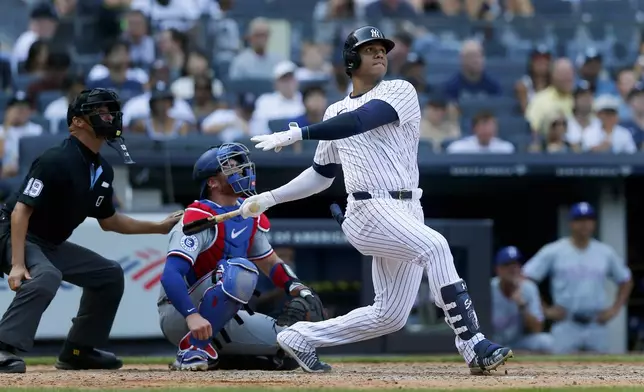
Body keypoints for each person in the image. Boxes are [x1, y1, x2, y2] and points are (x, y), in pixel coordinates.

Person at [241, 25, 513, 374]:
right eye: (370, 49)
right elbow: (321, 175)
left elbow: (361, 120)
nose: (380, 53)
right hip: (368, 208)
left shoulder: (400, 90)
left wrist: (301, 132)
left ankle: (303, 336)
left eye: (382, 48)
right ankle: (473, 344)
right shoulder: (333, 112)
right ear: (351, 59)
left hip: (408, 208)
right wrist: (268, 198)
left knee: (390, 316)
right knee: (435, 247)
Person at [0, 88, 183, 373]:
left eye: (110, 111)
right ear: (77, 122)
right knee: (47, 276)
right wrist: (17, 264)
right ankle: (2, 347)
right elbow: (20, 211)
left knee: (108, 275)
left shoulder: (102, 170)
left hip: (48, 242)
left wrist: (159, 228)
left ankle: (78, 351)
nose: (108, 117)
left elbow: (110, 221)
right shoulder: (55, 159)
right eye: (100, 111)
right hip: (10, 233)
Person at [157, 143, 326, 371]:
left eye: (240, 166)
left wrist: (297, 287)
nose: (241, 171)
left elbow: (271, 262)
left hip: (226, 316)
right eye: (230, 168)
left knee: (290, 345)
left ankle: (218, 357)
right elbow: (170, 275)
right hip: (181, 313)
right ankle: (192, 348)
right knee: (240, 269)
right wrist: (191, 316)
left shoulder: (248, 214)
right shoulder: (198, 217)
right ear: (212, 182)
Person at [522, 202, 633, 354]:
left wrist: (614, 309)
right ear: (571, 223)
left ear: (594, 223)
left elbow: (626, 280)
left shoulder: (604, 252)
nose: (584, 225)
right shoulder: (555, 250)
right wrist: (545, 309)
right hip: (566, 323)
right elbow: (526, 277)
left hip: (596, 323)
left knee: (601, 372)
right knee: (559, 372)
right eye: (579, 220)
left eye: (588, 220)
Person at [491, 246, 553, 353]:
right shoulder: (488, 289)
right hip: (492, 342)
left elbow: (537, 329)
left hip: (518, 342)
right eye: (507, 265)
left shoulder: (528, 288)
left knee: (546, 341)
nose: (513, 269)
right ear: (498, 269)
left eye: (516, 264)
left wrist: (522, 305)